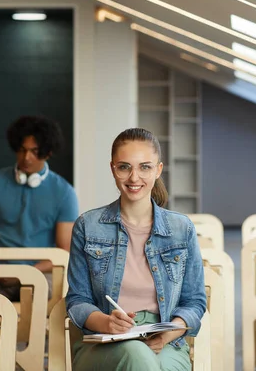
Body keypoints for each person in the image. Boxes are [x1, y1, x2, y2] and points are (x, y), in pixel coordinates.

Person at [66, 128, 206, 371]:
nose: (134, 178)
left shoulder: (181, 229)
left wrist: (168, 335)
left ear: (158, 170)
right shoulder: (88, 226)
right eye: (124, 167)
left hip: (165, 341)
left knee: (154, 363)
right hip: (102, 342)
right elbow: (78, 300)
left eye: (145, 167)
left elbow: (194, 302)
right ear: (113, 168)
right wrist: (106, 323)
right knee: (137, 356)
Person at [0, 115, 79, 300]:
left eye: (35, 152)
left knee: (37, 296)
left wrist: (26, 273)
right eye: (22, 150)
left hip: (41, 273)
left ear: (48, 152)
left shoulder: (64, 193)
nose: (27, 158)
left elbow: (64, 251)